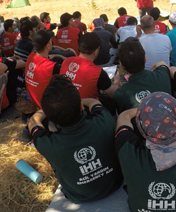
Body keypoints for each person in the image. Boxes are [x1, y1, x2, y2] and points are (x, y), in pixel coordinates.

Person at [29, 75, 123, 203]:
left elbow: (33, 122)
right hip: (115, 183)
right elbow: (94, 102)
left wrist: (50, 109)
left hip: (78, 196)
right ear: (81, 106)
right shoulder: (104, 120)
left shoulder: (46, 144)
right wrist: (73, 102)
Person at [113, 38, 172, 113]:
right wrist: (155, 66)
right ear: (145, 59)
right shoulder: (162, 75)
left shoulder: (120, 94)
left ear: (121, 65)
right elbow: (163, 64)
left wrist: (116, 83)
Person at [61, 32, 119, 100]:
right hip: (85, 108)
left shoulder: (66, 62)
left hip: (64, 103)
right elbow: (113, 94)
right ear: (96, 51)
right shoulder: (98, 73)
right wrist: (117, 81)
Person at [25, 30, 62, 108]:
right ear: (48, 46)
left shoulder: (31, 57)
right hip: (47, 106)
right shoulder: (53, 67)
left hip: (34, 100)